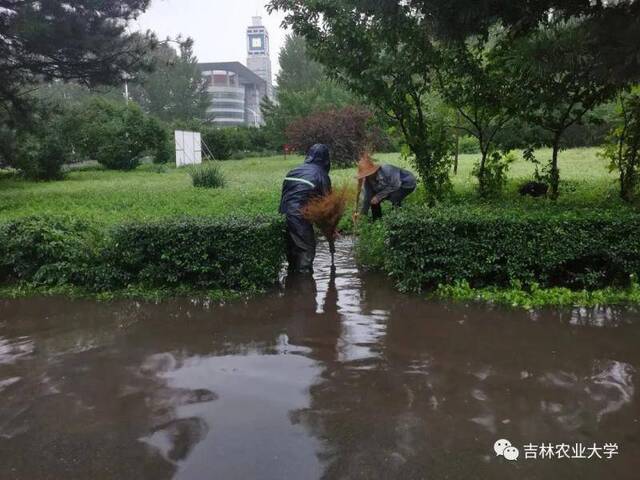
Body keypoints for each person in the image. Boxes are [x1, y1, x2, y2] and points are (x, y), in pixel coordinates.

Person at [279, 144, 332, 273]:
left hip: (282, 215)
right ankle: (304, 289)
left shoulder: (294, 171)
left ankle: (291, 286)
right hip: (299, 217)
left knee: (292, 254)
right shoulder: (322, 175)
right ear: (325, 159)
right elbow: (325, 207)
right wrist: (329, 229)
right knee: (305, 254)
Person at [353, 154, 416, 221]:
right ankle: (377, 222)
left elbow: (396, 185)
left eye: (368, 173)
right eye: (365, 174)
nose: (367, 176)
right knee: (373, 200)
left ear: (373, 170)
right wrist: (362, 215)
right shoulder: (367, 181)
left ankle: (398, 219)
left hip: (406, 183)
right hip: (389, 186)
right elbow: (367, 198)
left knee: (394, 197)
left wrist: (378, 196)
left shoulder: (387, 169)